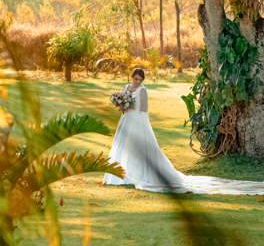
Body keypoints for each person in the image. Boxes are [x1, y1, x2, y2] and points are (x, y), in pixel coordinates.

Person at [103, 67, 264, 195]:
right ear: (131, 77)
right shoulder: (126, 88)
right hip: (126, 120)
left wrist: (129, 105)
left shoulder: (142, 91)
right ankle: (120, 175)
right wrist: (121, 104)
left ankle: (140, 174)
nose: (138, 82)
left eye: (140, 80)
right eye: (136, 79)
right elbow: (125, 101)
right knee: (123, 145)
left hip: (137, 121)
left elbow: (144, 108)